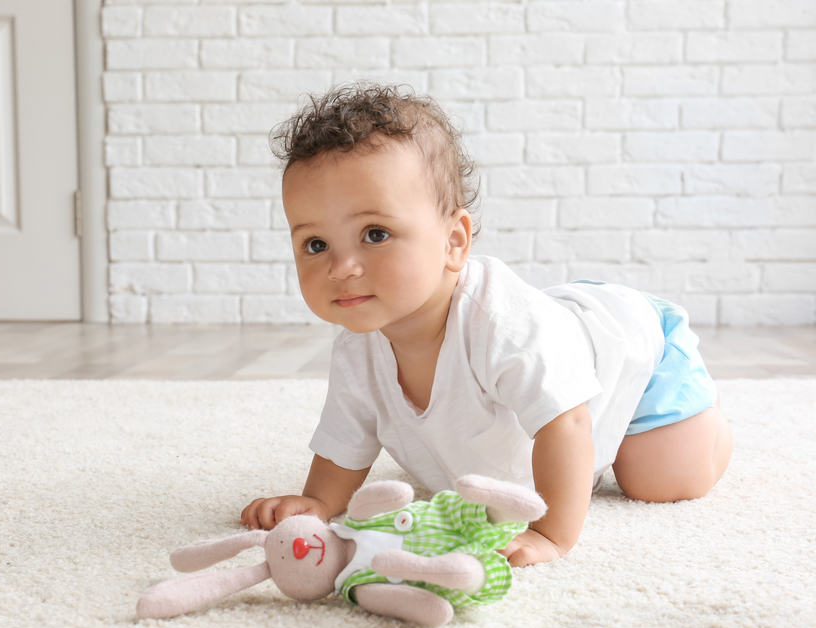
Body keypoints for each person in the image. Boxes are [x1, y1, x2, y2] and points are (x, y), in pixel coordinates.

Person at [240, 83, 733, 566]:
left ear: (454, 241)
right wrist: (320, 504)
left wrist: (550, 535)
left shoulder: (500, 325)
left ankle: (710, 424)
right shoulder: (358, 347)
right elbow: (345, 440)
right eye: (316, 244)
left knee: (657, 478)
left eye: (375, 234)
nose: (342, 267)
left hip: (632, 351)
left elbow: (568, 422)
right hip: (561, 336)